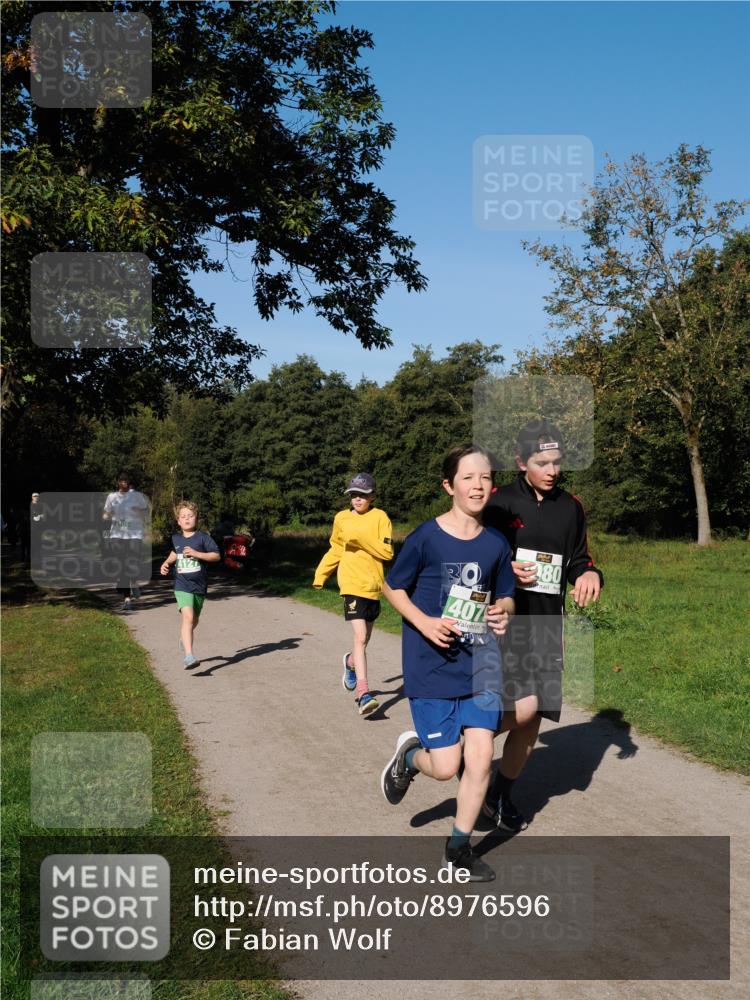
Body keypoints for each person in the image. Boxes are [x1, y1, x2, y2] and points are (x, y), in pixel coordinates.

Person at [380, 444, 515, 881]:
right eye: (468, 478)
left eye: (486, 477)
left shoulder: (496, 544)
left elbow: (507, 594)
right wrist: (424, 622)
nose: (478, 485)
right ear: (449, 486)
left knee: (480, 758)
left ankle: (458, 850)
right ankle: (408, 757)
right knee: (444, 767)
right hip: (433, 668)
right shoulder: (426, 538)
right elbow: (392, 587)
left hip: (481, 666)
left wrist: (503, 611)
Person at [482, 420, 604, 832]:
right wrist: (504, 567)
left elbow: (579, 559)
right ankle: (442, 748)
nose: (552, 471)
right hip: (502, 621)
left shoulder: (571, 506)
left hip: (547, 626)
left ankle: (498, 795)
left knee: (531, 720)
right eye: (541, 463)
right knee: (502, 710)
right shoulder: (496, 503)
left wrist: (590, 575)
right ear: (521, 462)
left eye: (556, 462)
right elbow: (471, 554)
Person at [313, 473, 394, 716]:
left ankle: (350, 663)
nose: (358, 499)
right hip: (350, 584)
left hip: (373, 586)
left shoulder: (381, 518)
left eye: (363, 495)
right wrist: (321, 574)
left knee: (364, 640)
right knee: (360, 637)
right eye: (354, 495)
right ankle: (363, 692)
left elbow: (387, 553)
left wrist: (361, 540)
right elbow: (336, 548)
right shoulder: (341, 518)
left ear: (373, 496)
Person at [160, 500, 220, 668]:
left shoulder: (203, 538)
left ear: (196, 518)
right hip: (182, 585)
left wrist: (197, 553)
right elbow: (174, 553)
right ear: (178, 521)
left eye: (190, 516)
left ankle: (183, 637)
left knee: (195, 619)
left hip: (199, 586)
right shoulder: (176, 538)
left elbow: (216, 556)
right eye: (183, 516)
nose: (187, 519)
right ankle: (189, 656)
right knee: (188, 617)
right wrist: (166, 563)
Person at [102, 472, 149, 609]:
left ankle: (134, 581)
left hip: (134, 534)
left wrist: (138, 512)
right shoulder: (112, 497)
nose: (124, 483)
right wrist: (106, 516)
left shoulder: (137, 496)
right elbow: (106, 513)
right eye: (121, 480)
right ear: (118, 482)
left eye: (126, 481)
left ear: (129, 482)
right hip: (117, 534)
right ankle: (127, 599)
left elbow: (146, 512)